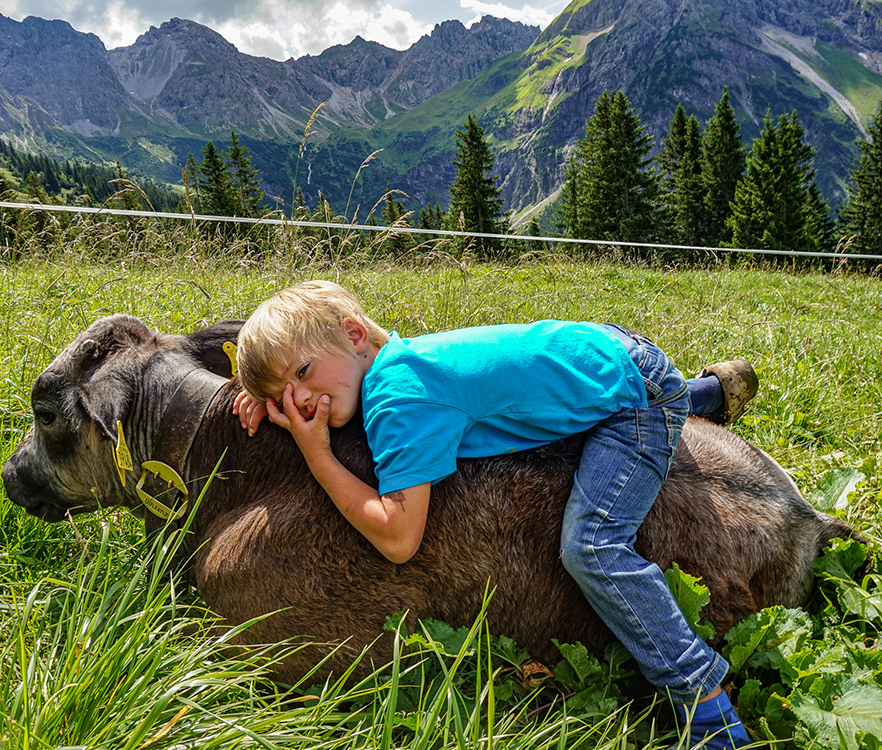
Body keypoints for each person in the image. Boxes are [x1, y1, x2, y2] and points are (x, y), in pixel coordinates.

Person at [233, 280, 758, 749]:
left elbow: (398, 539)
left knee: (593, 545)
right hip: (596, 348)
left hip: (636, 399)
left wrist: (318, 454)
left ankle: (704, 699)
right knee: (546, 405)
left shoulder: (400, 400)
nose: (298, 399)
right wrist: (275, 393)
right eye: (282, 396)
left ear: (353, 334)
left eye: (302, 373)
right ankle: (707, 393)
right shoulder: (392, 359)